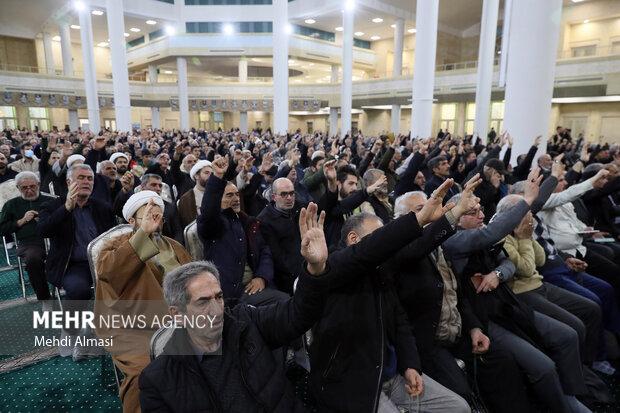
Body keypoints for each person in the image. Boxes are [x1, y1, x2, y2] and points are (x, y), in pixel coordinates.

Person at [139, 204, 331, 412]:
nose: (216, 309)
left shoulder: (245, 321)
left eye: (219, 297)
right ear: (177, 314)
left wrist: (316, 268)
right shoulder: (157, 381)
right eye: (203, 301)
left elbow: (297, 315)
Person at [309, 179, 470, 412]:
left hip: (392, 375)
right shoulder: (333, 267)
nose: (386, 243)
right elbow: (365, 254)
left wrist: (410, 365)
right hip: (353, 381)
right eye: (380, 236)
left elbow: (400, 322)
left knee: (458, 407)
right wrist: (419, 219)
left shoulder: (381, 269)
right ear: (354, 239)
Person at [94, 191, 192, 413]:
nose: (155, 222)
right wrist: (143, 235)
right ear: (131, 221)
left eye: (158, 217)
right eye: (148, 217)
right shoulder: (113, 247)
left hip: (179, 318)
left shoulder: (174, 246)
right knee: (145, 371)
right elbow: (110, 272)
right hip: (131, 325)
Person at [37, 163, 115, 357]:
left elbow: (113, 237)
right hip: (71, 265)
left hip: (102, 262)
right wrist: (66, 209)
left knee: (128, 282)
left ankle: (100, 333)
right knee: (79, 290)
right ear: (68, 181)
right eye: (81, 178)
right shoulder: (52, 206)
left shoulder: (102, 207)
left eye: (90, 179)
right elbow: (43, 230)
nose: (86, 182)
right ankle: (70, 334)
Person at [197, 156, 287, 305]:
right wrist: (217, 177)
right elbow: (208, 212)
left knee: (286, 302)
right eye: (229, 195)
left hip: (254, 286)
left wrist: (261, 277)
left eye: (237, 194)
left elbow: (265, 252)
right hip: (230, 293)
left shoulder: (248, 223)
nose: (236, 198)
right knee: (283, 303)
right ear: (218, 200)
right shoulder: (214, 224)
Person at [257, 160, 337, 294]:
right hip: (288, 281)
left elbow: (322, 206)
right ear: (273, 197)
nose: (289, 198)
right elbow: (277, 257)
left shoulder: (298, 208)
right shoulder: (264, 220)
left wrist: (332, 183)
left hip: (309, 268)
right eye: (284, 194)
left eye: (292, 193)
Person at [0, 171, 54, 305]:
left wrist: (48, 221)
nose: (29, 190)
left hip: (55, 240)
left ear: (39, 184)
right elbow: (1, 229)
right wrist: (22, 221)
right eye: (24, 187)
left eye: (32, 186)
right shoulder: (11, 205)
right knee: (32, 259)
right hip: (29, 243)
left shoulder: (51, 201)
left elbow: (66, 222)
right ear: (18, 188)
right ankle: (45, 298)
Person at [114, 173, 184, 245]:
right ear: (143, 187)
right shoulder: (135, 204)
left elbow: (178, 231)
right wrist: (126, 190)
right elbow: (118, 210)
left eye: (160, 186)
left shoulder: (170, 207)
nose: (158, 189)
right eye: (154, 185)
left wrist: (174, 249)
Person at [177, 160, 212, 228]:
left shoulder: (219, 193)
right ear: (196, 176)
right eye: (206, 173)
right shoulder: (186, 199)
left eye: (212, 173)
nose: (211, 176)